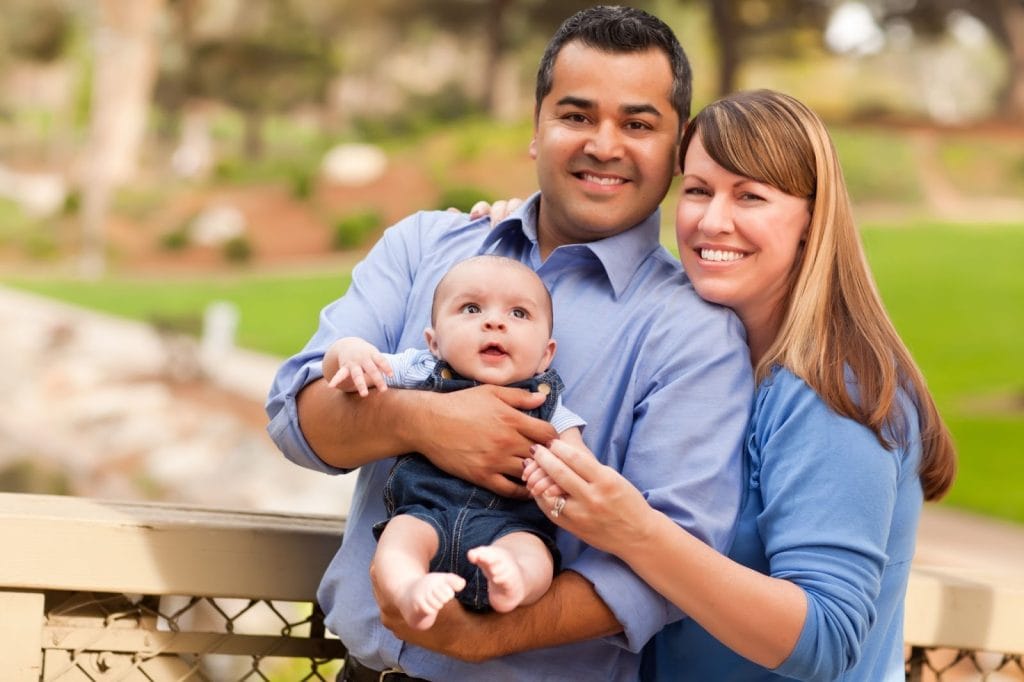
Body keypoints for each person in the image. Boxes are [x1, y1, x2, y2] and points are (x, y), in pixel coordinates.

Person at [265, 6, 753, 681]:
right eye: (576, 116)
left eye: (637, 124)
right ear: (536, 129)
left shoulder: (695, 334)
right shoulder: (424, 247)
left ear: (677, 149)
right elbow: (296, 419)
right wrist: (425, 420)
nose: (603, 145)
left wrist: (484, 637)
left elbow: (672, 564)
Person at [522, 89, 957, 682]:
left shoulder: (831, 390)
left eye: (750, 196)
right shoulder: (705, 364)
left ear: (811, 220)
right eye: (698, 189)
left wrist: (635, 531)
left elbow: (825, 640)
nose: (712, 220)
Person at [324, 255, 586, 631]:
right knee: (398, 544)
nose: (494, 322)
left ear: (546, 354)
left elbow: (577, 462)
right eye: (471, 308)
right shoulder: (419, 370)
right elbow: (345, 375)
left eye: (519, 314)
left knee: (536, 555)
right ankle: (410, 589)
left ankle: (513, 581)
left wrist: (565, 475)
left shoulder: (547, 401)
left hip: (510, 526)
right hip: (425, 514)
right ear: (434, 341)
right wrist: (348, 352)